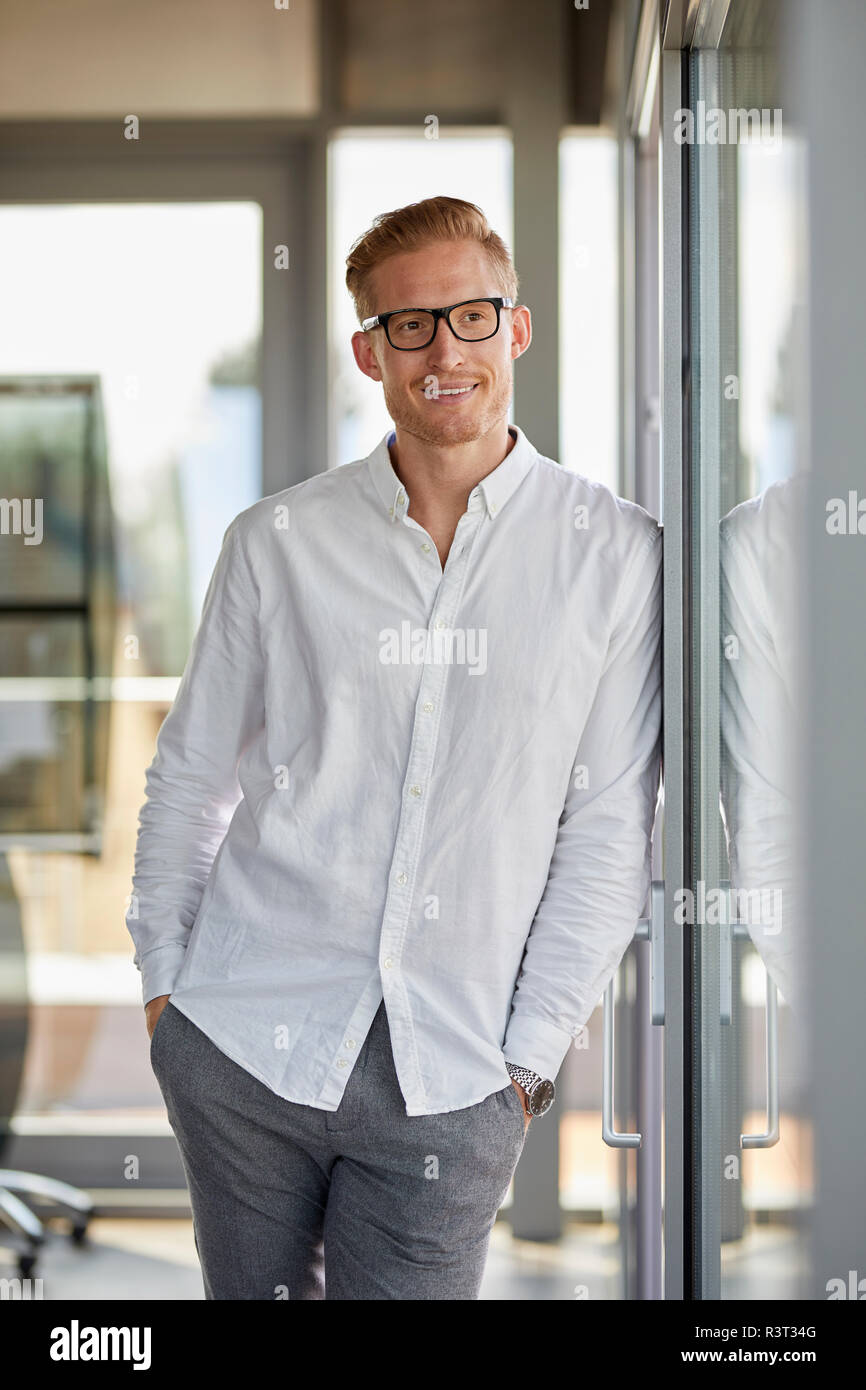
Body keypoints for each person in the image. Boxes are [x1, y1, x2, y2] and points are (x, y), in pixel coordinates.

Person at [127, 194, 663, 1300]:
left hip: (455, 1078)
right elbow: (189, 780)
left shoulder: (611, 557)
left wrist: (522, 1064)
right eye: (408, 326)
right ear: (368, 351)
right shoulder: (276, 542)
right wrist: (165, 993)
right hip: (240, 1045)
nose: (442, 352)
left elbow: (608, 827)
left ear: (514, 328)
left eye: (469, 317)